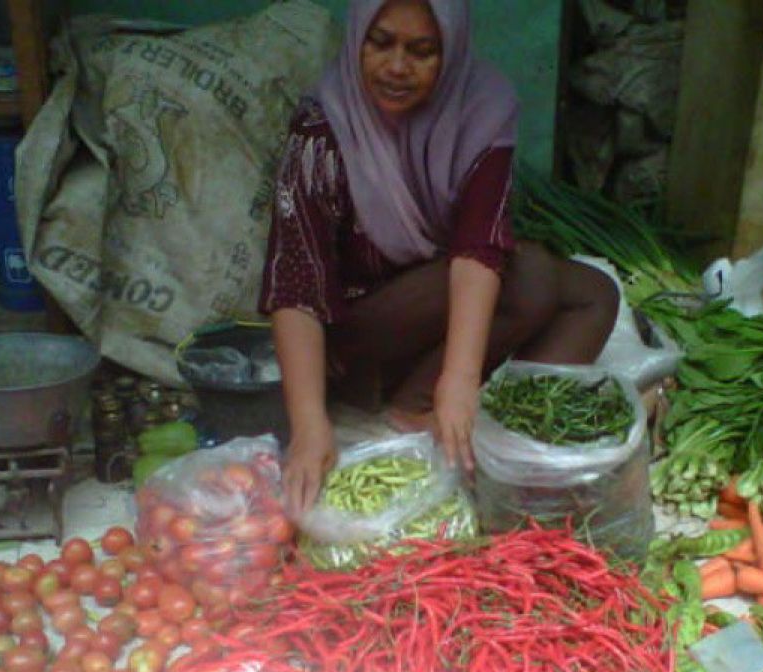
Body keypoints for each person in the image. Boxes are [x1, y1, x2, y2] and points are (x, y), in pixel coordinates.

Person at [261, 0, 619, 517]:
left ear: (450, 50)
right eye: (380, 42)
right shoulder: (324, 127)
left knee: (595, 294)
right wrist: (310, 424)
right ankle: (414, 407)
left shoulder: (482, 105)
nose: (397, 67)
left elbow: (480, 245)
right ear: (357, 36)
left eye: (422, 50)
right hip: (361, 333)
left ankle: (496, 425)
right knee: (535, 274)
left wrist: (460, 376)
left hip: (445, 309)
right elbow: (296, 283)